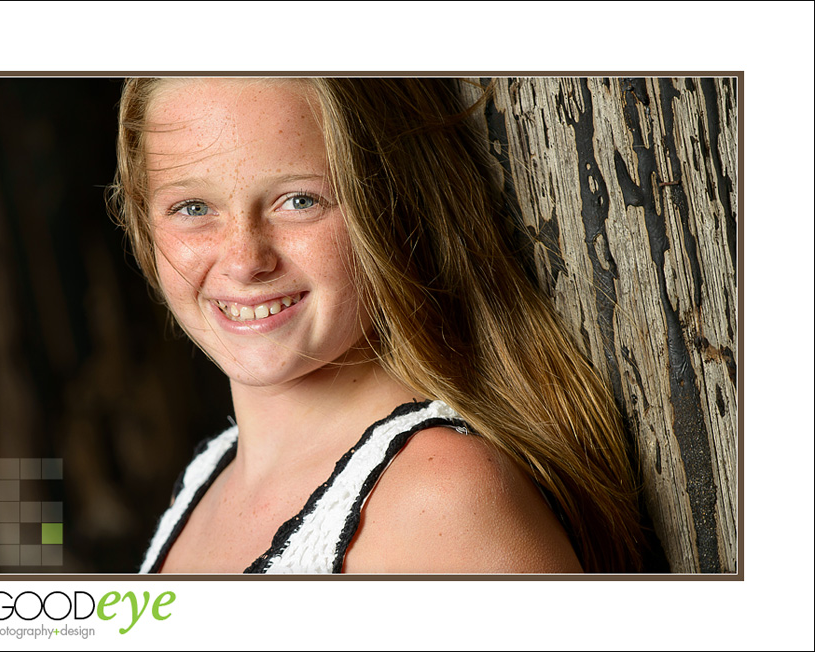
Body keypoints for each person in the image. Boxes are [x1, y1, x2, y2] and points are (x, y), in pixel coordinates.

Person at [109, 77, 644, 573]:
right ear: (142, 219)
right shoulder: (206, 479)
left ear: (389, 205)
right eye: (193, 207)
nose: (245, 260)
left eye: (300, 201)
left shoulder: (440, 497)